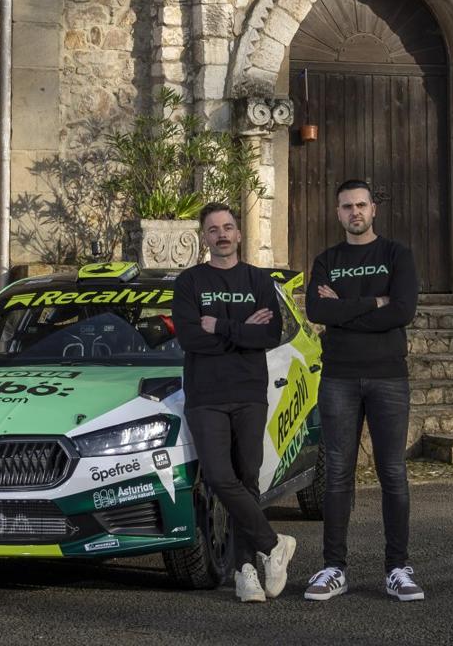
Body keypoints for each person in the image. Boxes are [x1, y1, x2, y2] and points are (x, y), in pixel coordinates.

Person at [303, 179, 423, 602]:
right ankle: (334, 568)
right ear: (337, 213)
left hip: (388, 376)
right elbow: (318, 310)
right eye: (346, 206)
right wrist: (375, 303)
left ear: (374, 209)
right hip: (337, 377)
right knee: (337, 474)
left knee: (393, 473)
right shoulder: (327, 260)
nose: (354, 212)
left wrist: (344, 310)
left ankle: (397, 568)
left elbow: (404, 311)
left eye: (361, 205)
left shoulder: (397, 255)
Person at [172, 202, 296, 603]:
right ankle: (274, 544)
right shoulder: (189, 282)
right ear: (204, 238)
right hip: (205, 395)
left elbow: (270, 335)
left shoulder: (259, 280)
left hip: (248, 393)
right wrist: (243, 330)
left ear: (239, 234)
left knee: (247, 479)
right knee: (219, 477)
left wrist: (221, 326)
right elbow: (190, 339)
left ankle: (245, 571)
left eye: (228, 227)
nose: (222, 234)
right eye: (213, 229)